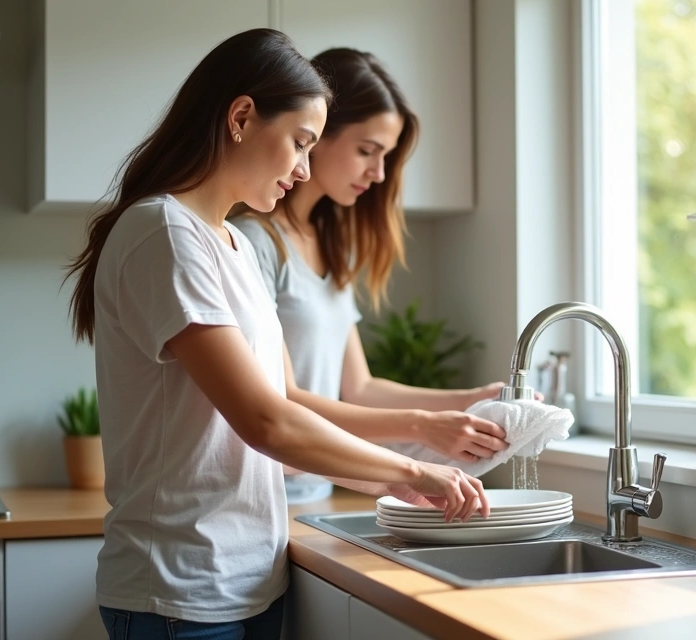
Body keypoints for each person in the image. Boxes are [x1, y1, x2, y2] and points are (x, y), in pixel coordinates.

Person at [64, 29, 488, 640]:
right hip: (179, 591)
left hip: (246, 581)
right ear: (241, 117)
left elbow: (282, 405)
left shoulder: (231, 245)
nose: (305, 168)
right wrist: (417, 470)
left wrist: (391, 479)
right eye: (300, 142)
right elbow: (267, 421)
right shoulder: (163, 231)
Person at [230, 49, 513, 454]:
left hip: (318, 487)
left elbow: (359, 388)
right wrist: (424, 426)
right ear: (317, 133)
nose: (379, 173)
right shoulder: (255, 243)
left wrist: (474, 399)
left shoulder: (332, 249)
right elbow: (282, 398)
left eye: (386, 156)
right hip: (270, 490)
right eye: (367, 150)